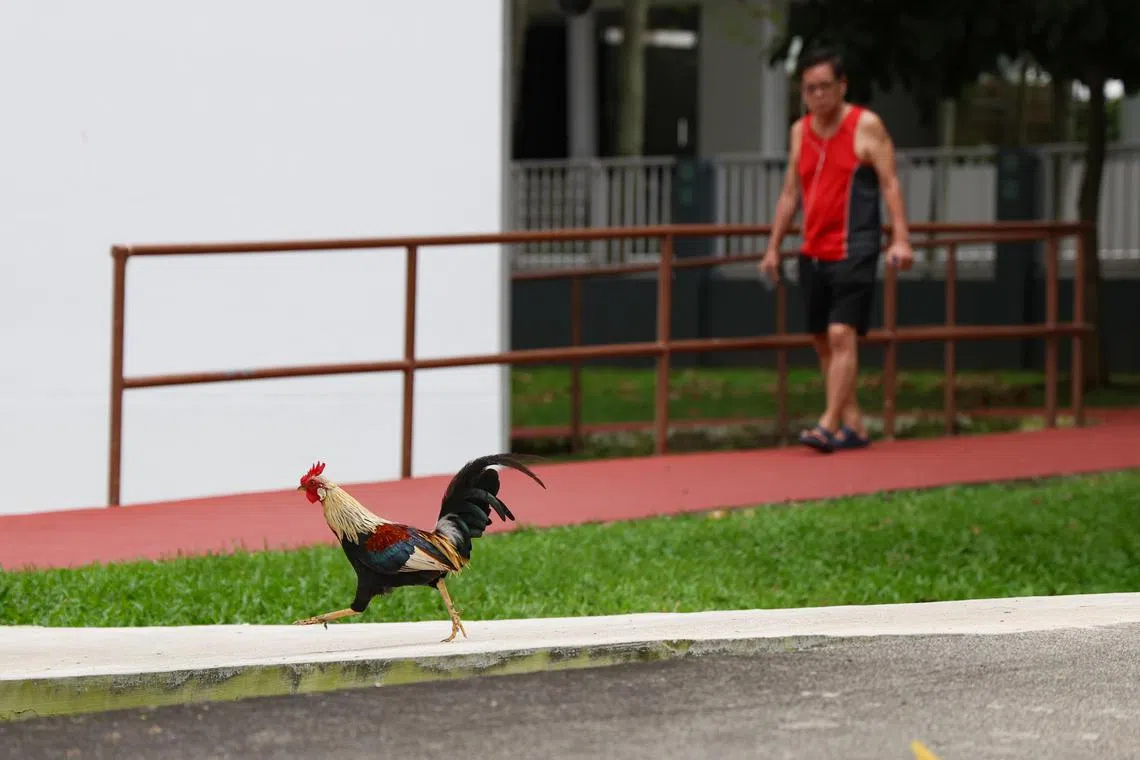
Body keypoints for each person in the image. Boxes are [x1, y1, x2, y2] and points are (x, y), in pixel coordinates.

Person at [759, 47, 914, 454]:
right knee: (822, 341)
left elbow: (890, 183)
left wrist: (900, 238)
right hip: (813, 249)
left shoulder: (866, 126)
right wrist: (773, 247)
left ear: (842, 86)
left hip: (855, 246)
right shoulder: (799, 131)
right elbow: (790, 192)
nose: (818, 96)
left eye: (825, 87)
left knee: (841, 333)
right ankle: (854, 425)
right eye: (809, 89)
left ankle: (827, 423)